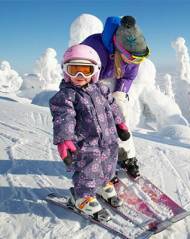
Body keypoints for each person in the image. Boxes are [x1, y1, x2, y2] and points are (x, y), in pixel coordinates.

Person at [49, 44, 131, 220]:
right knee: (88, 170)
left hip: (109, 139)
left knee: (109, 164)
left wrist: (120, 124)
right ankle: (82, 196)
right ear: (65, 71)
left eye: (85, 70)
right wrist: (65, 140)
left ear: (95, 71)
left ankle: (102, 185)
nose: (79, 76)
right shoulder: (66, 96)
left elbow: (113, 106)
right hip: (86, 144)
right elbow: (64, 117)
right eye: (74, 70)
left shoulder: (101, 89)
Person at [81, 15, 150, 178]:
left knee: (120, 117)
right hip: (90, 80)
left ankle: (127, 157)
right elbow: (80, 72)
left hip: (113, 79)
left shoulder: (134, 53)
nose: (136, 61)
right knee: (96, 121)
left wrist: (120, 93)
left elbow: (128, 76)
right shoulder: (94, 48)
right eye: (133, 58)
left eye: (140, 58)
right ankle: (98, 159)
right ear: (120, 49)